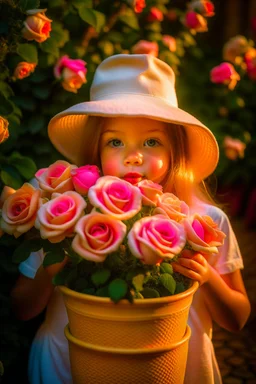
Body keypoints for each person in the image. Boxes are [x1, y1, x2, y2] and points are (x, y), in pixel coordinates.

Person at [11, 54, 251, 384]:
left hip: (173, 366)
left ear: (175, 152)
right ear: (96, 149)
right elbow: (21, 309)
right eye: (115, 141)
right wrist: (51, 267)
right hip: (66, 364)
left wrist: (207, 277)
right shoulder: (63, 217)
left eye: (152, 141)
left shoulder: (205, 221)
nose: (133, 156)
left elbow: (238, 317)